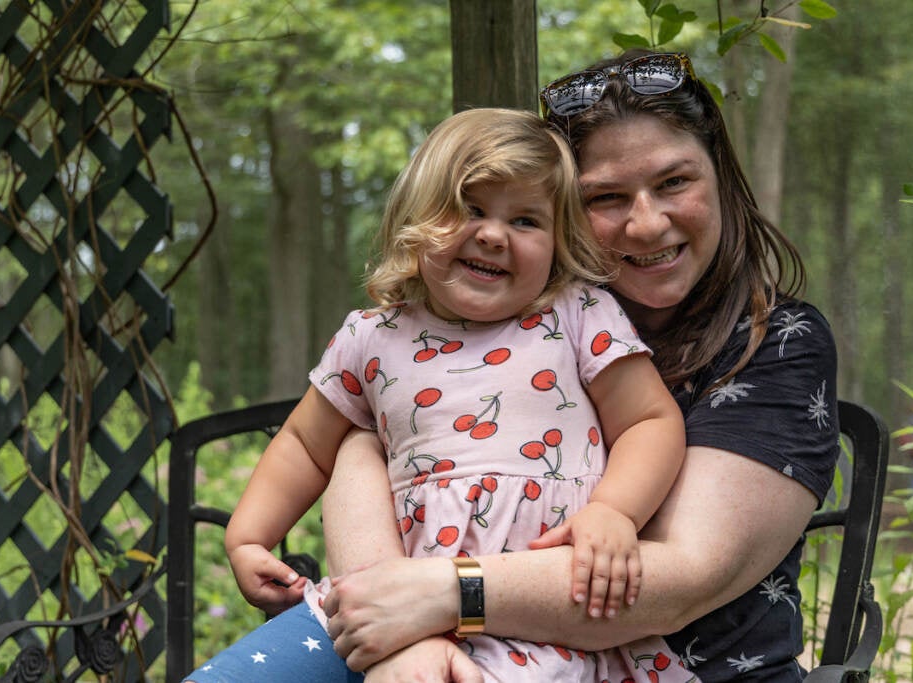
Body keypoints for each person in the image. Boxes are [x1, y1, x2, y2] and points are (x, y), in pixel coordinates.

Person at [315, 50, 840, 682]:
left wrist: (441, 595)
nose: (646, 224)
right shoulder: (514, 316)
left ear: (722, 179)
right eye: (606, 197)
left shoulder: (776, 341)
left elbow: (678, 581)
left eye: (675, 182)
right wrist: (394, 630)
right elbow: (359, 441)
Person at [185, 107, 695, 682]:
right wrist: (249, 535)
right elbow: (305, 443)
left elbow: (649, 421)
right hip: (382, 613)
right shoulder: (371, 336)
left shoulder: (576, 315)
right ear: (417, 215)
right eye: (470, 209)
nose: (494, 234)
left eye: (526, 221)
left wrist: (614, 510)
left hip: (544, 621)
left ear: (559, 241)